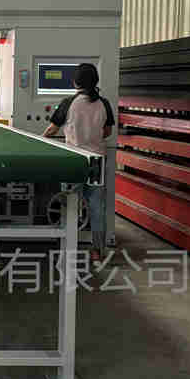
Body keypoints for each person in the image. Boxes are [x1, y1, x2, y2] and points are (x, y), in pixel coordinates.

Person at [43, 63, 115, 262]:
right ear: (95, 81)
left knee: (70, 203)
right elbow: (107, 132)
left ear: (75, 82)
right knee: (96, 206)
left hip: (74, 161)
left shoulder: (68, 103)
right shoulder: (104, 103)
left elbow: (52, 130)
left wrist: (40, 141)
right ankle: (97, 250)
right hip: (97, 161)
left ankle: (67, 246)